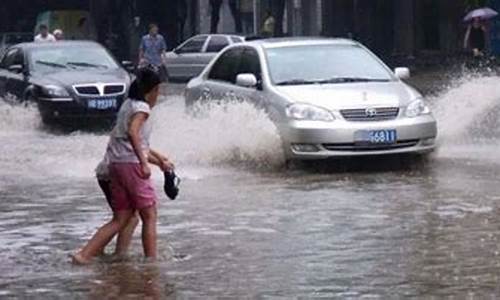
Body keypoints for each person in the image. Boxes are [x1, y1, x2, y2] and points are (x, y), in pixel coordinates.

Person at [72, 69, 174, 265]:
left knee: (122, 217)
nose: (158, 95)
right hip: (132, 167)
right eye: (158, 90)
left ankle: (85, 255)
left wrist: (160, 161)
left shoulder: (128, 105)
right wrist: (144, 164)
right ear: (151, 91)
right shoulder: (142, 108)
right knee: (150, 215)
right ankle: (151, 262)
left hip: (116, 167)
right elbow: (133, 134)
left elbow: (135, 142)